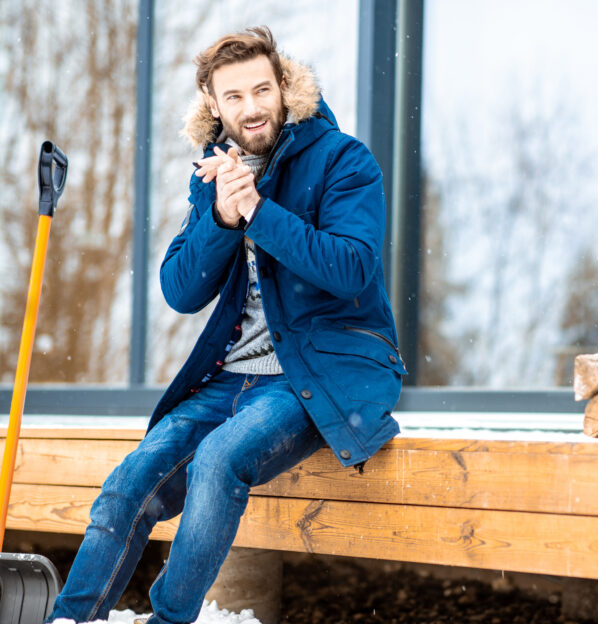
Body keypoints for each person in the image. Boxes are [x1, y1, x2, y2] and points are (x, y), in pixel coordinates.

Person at [46, 26, 405, 624]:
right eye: (233, 97)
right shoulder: (213, 173)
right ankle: (71, 618)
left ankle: (169, 619)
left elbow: (352, 267)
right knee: (129, 483)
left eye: (262, 90)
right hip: (231, 378)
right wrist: (220, 214)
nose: (251, 108)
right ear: (214, 104)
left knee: (217, 461)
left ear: (284, 87)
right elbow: (180, 290)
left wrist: (260, 212)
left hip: (318, 373)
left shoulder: (343, 159)